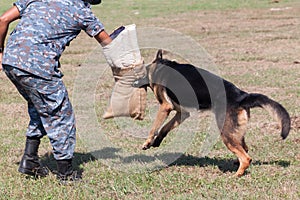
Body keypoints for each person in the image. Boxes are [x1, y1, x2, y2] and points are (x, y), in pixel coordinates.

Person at [0, 0, 112, 184]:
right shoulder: (82, 11)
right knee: (61, 115)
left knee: (40, 108)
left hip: (12, 61)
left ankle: (30, 161)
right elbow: (107, 43)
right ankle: (65, 173)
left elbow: (3, 20)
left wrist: (0, 51)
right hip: (38, 66)